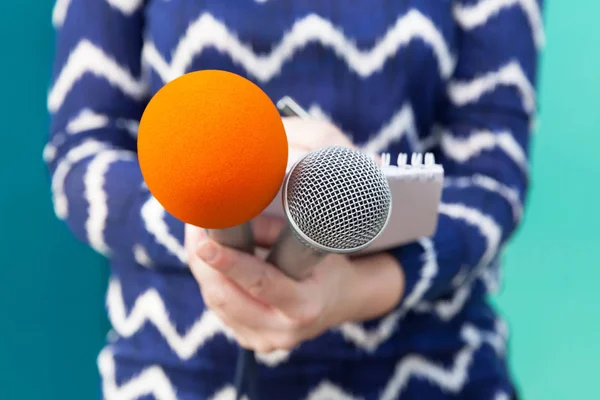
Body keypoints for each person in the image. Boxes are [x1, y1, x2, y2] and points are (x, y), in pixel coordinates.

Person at [45, 0, 542, 399]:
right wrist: (210, 216)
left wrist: (355, 290)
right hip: (175, 373)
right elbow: (82, 157)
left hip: (434, 371)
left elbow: (492, 184)